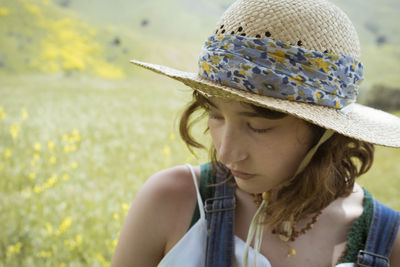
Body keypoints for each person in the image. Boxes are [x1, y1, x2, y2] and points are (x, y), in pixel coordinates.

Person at [111, 0, 400, 266]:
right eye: (215, 115)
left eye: (259, 127)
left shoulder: (389, 242)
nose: (225, 153)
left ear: (325, 132)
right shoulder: (172, 201)